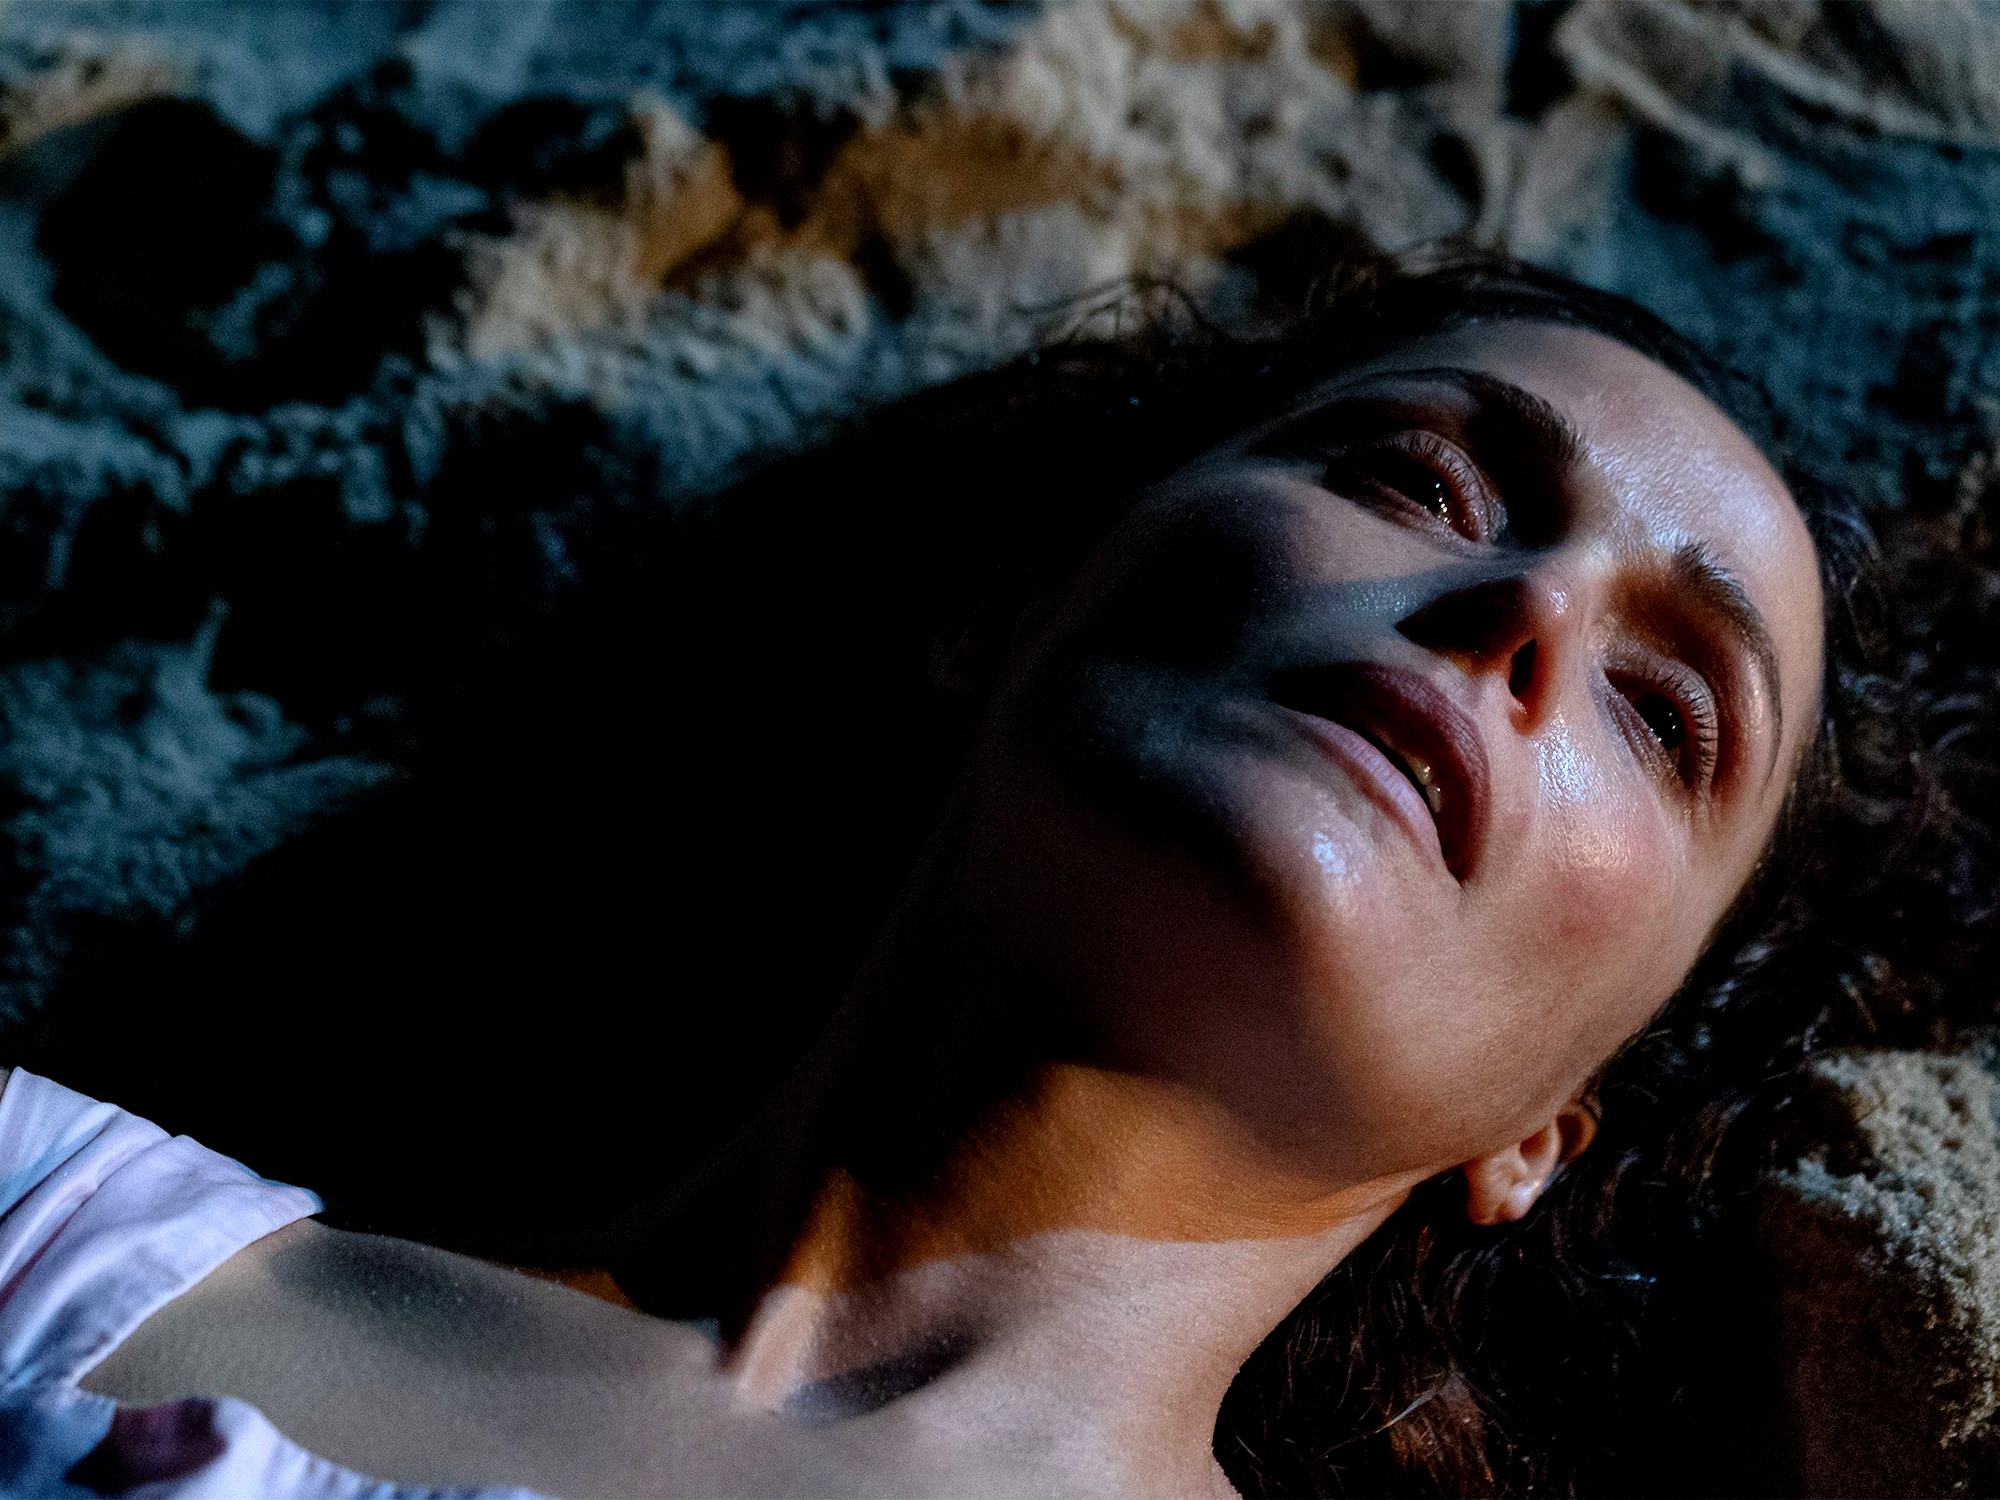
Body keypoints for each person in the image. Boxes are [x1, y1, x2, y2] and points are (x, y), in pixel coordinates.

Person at [0, 250, 1881, 1498]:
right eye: (1419, 483)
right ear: (1008, 613)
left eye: (1662, 711)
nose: (1527, 607)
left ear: (1544, 1129)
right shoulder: (50, 1225)